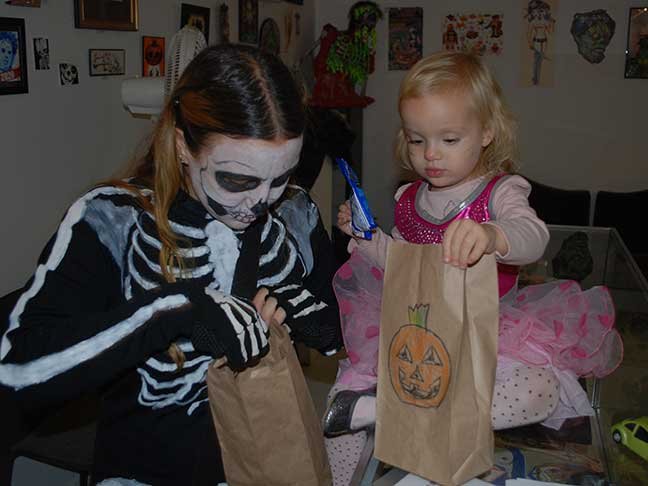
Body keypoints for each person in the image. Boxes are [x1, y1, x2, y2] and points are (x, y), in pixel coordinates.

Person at [0, 44, 341, 486]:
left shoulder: (294, 213)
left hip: (272, 464)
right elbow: (18, 372)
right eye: (237, 180)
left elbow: (338, 331)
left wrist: (317, 322)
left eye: (280, 178)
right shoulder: (111, 221)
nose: (259, 203)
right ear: (183, 144)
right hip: (146, 473)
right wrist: (171, 310)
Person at [322, 51, 622, 460]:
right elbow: (401, 265)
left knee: (542, 390)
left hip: (488, 329)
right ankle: (378, 418)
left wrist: (493, 234)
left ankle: (403, 415)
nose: (431, 154)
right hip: (419, 328)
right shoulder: (407, 198)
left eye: (449, 140)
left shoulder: (501, 191)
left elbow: (534, 236)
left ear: (486, 132)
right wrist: (367, 238)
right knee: (341, 403)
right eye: (416, 140)